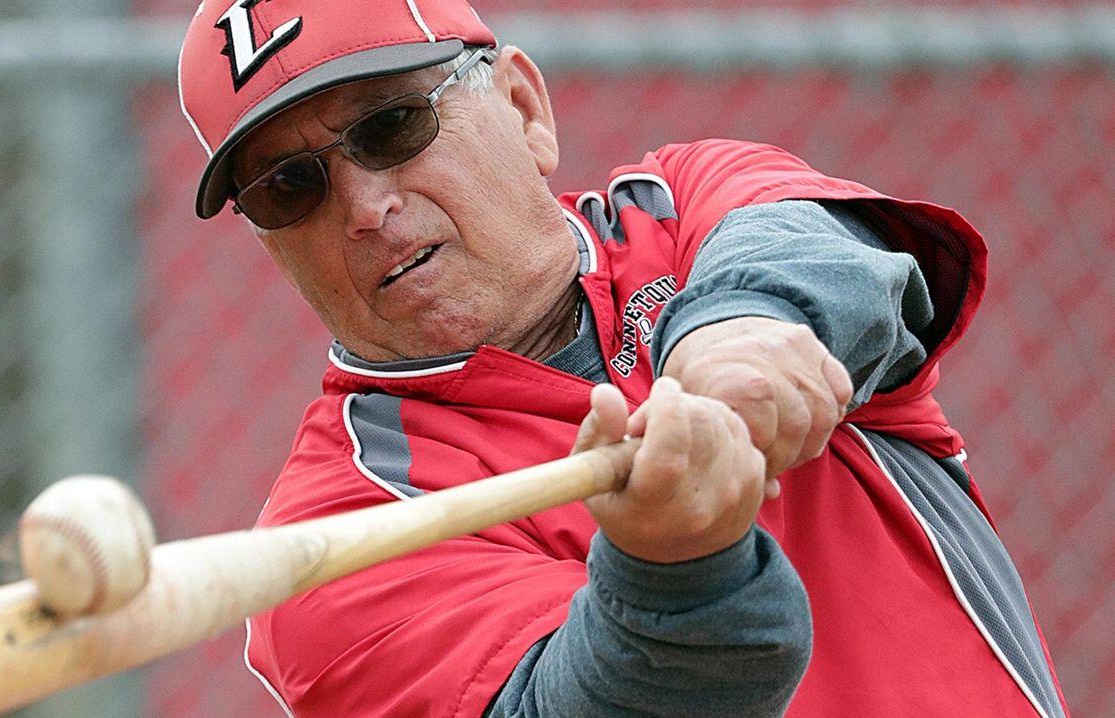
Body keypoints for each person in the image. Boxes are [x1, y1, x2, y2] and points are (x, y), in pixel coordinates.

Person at [176, 2, 1071, 716]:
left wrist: (742, 335)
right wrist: (674, 569)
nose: (366, 208)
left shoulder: (684, 208)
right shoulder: (330, 542)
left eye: (392, 125)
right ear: (273, 247)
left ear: (525, 110)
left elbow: (824, 260)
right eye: (290, 187)